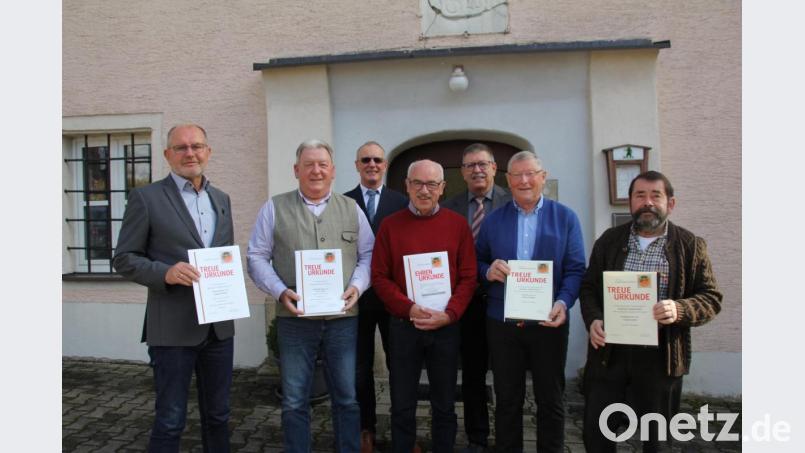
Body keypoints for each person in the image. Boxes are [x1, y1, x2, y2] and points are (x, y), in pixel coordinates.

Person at [579, 170, 722, 452]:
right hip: (610, 353)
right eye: (639, 195)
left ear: (671, 203)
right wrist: (594, 319)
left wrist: (679, 308)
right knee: (597, 437)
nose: (647, 202)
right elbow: (588, 288)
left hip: (661, 357)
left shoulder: (691, 245)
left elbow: (711, 298)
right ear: (630, 202)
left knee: (657, 441)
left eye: (656, 195)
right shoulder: (609, 240)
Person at [113, 124, 235, 452]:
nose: (189, 153)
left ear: (208, 151)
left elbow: (223, 254)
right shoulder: (146, 198)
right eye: (180, 148)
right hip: (171, 329)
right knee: (170, 419)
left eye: (196, 146)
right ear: (167, 155)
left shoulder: (220, 198)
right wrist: (165, 272)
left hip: (219, 328)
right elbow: (123, 258)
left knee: (220, 416)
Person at [247, 139, 374, 453]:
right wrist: (279, 290)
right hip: (294, 320)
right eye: (309, 165)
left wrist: (357, 287)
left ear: (332, 171)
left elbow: (369, 255)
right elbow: (256, 256)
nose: (316, 171)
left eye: (322, 164)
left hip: (343, 320)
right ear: (296, 170)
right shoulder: (273, 208)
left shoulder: (351, 208)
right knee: (294, 399)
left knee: (346, 396)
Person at [475, 150, 586, 453]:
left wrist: (563, 302)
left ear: (542, 177)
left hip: (549, 322)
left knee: (550, 398)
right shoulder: (494, 220)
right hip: (502, 322)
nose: (524, 180)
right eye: (517, 175)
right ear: (507, 181)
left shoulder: (565, 218)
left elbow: (576, 269)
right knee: (507, 398)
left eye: (530, 174)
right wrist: (487, 270)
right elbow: (476, 261)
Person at [371, 159, 478, 453]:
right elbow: (379, 277)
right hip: (405, 327)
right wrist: (408, 309)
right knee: (402, 403)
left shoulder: (457, 226)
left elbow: (469, 277)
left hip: (445, 328)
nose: (424, 190)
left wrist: (450, 314)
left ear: (442, 188)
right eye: (417, 183)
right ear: (406, 186)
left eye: (432, 184)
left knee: (444, 403)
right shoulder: (390, 226)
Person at [443, 143, 511, 453]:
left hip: (506, 300)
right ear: (463, 172)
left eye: (483, 164)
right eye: (470, 165)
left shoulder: (512, 203)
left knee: (508, 373)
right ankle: (477, 437)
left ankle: (509, 435)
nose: (477, 170)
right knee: (471, 372)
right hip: (467, 301)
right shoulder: (451, 206)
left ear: (495, 168)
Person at [344, 141, 408, 453]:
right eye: (366, 159)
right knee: (359, 369)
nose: (372, 164)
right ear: (357, 165)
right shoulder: (342, 202)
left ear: (385, 165)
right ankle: (365, 429)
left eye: (378, 160)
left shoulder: (401, 201)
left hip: (394, 298)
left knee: (400, 366)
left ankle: (402, 433)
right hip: (355, 299)